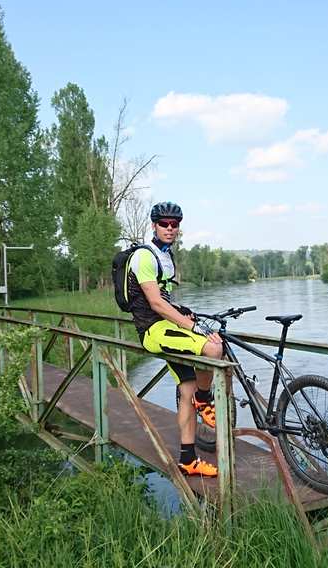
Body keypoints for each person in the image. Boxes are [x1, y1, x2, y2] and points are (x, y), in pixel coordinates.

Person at [127, 201, 223, 477]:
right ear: (154, 226)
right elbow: (156, 304)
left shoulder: (165, 256)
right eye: (164, 224)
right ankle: (206, 400)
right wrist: (192, 328)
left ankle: (188, 460)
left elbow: (166, 299)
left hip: (167, 326)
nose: (170, 228)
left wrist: (183, 314)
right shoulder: (144, 257)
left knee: (187, 390)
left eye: (175, 224)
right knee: (213, 349)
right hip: (153, 330)